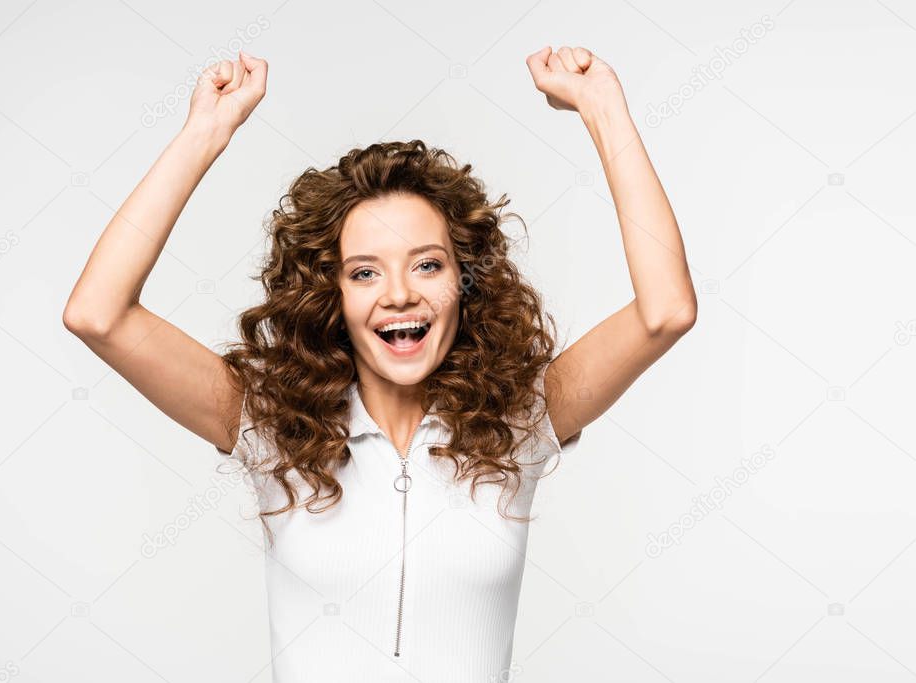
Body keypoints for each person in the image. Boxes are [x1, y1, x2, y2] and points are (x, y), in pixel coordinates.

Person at [63, 45, 695, 682]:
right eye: (365, 272)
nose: (399, 294)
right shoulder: (270, 426)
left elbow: (664, 311)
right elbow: (99, 313)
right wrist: (204, 133)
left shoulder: (521, 420)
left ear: (465, 280)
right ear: (331, 295)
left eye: (428, 264)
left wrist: (602, 109)